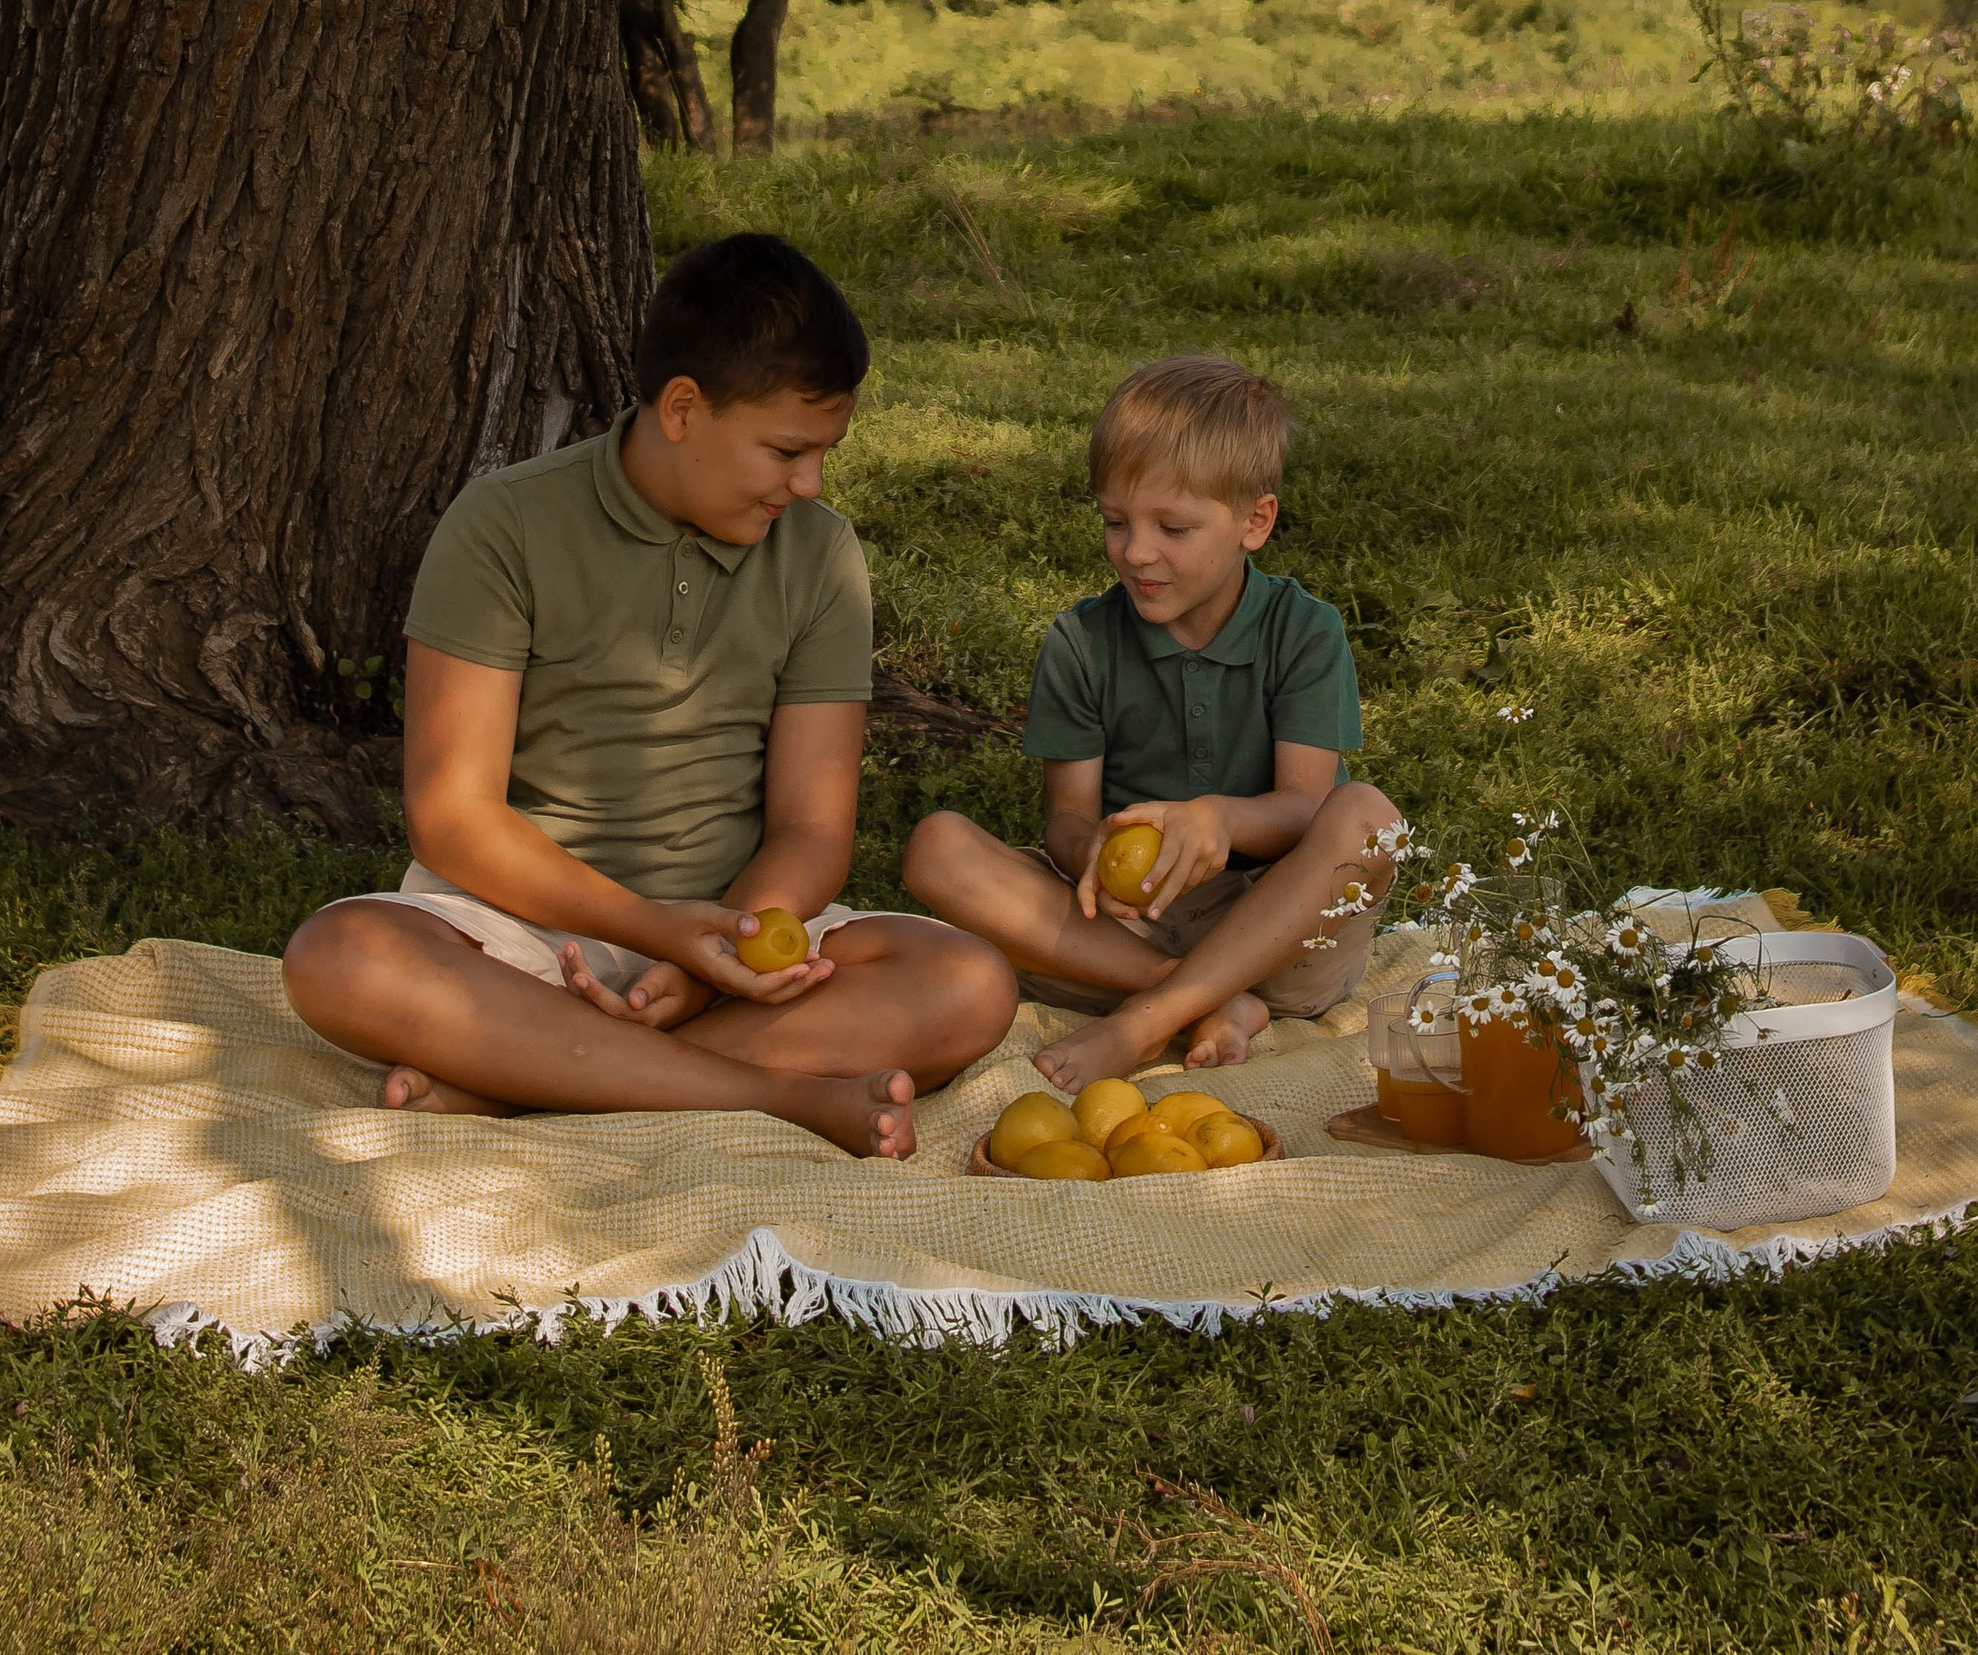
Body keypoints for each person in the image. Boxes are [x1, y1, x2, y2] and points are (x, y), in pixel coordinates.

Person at [282, 233, 1017, 1160]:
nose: (809, 483)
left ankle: (527, 1081)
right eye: (786, 450)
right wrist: (655, 933)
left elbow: (812, 829)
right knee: (341, 956)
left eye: (824, 452)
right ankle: (776, 1097)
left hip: (735, 935)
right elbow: (451, 818)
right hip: (518, 937)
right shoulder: (504, 525)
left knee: (966, 982)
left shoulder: (821, 556)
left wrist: (723, 960)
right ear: (682, 409)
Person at [901, 354, 1400, 1082]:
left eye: (1173, 526)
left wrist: (1220, 822)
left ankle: (1145, 1020)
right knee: (936, 846)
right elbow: (1067, 824)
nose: (1136, 552)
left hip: (1280, 925)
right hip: (1134, 927)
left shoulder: (1304, 631)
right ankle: (1198, 998)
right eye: (1115, 521)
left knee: (1367, 816)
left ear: (1254, 521)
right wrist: (1094, 850)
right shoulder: (1082, 642)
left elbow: (1303, 808)